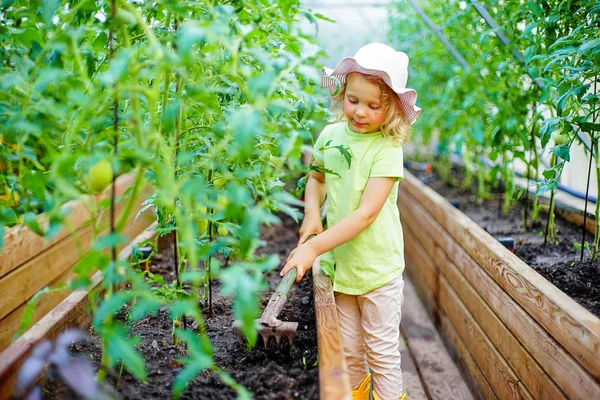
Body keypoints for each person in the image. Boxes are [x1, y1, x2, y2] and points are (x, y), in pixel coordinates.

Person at [280, 43, 421, 400]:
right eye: (353, 100)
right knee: (349, 350)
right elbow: (317, 178)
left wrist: (312, 246)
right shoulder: (330, 136)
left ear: (390, 109)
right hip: (340, 268)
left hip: (377, 271)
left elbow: (366, 214)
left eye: (374, 106)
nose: (360, 112)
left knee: (382, 354)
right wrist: (313, 211)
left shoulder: (386, 149)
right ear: (342, 92)